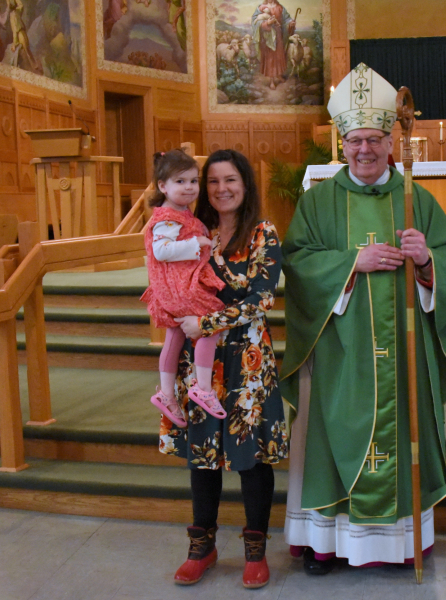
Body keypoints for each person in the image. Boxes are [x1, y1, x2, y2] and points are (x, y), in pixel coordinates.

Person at [281, 63, 446, 573]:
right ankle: (328, 543)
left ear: (391, 142)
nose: (364, 150)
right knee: (334, 436)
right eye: (354, 140)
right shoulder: (318, 201)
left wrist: (428, 259)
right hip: (341, 354)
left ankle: (397, 543)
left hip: (402, 354)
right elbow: (295, 263)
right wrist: (350, 264)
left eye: (374, 140)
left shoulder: (416, 197)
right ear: (340, 144)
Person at [160, 149, 289, 589]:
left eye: (229, 180)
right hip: (199, 365)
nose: (221, 189)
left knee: (250, 457)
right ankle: (202, 546)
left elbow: (262, 299)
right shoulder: (193, 230)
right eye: (211, 181)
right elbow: (167, 275)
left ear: (245, 183)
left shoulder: (262, 233)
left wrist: (207, 322)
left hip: (248, 361)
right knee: (203, 455)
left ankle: (255, 550)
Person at [141, 150, 228, 429]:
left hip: (171, 290)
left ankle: (167, 394)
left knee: (174, 336)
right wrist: (198, 244)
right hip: (182, 288)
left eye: (193, 181)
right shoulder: (167, 218)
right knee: (210, 324)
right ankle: (203, 388)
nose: (189, 187)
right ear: (162, 186)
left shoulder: (179, 213)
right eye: (180, 182)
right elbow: (161, 251)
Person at [251, 0, 295, 89]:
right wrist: (267, 23)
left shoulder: (280, 7)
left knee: (278, 56)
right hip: (267, 37)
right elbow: (255, 22)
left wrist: (290, 23)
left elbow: (286, 19)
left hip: (278, 36)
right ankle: (271, 81)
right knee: (270, 57)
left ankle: (278, 75)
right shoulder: (261, 7)